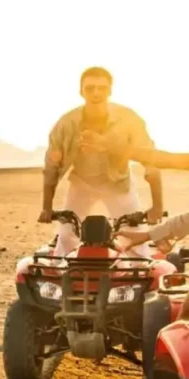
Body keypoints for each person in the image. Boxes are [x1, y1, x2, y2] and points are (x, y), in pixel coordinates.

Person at [41, 66, 163, 256]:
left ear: (110, 90)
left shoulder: (129, 119)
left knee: (135, 240)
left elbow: (151, 160)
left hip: (118, 184)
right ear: (81, 91)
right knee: (66, 237)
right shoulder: (67, 123)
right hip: (82, 184)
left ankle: (144, 282)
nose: (96, 93)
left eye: (102, 88)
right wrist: (46, 207)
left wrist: (158, 206)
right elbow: (51, 166)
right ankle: (58, 283)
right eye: (90, 88)